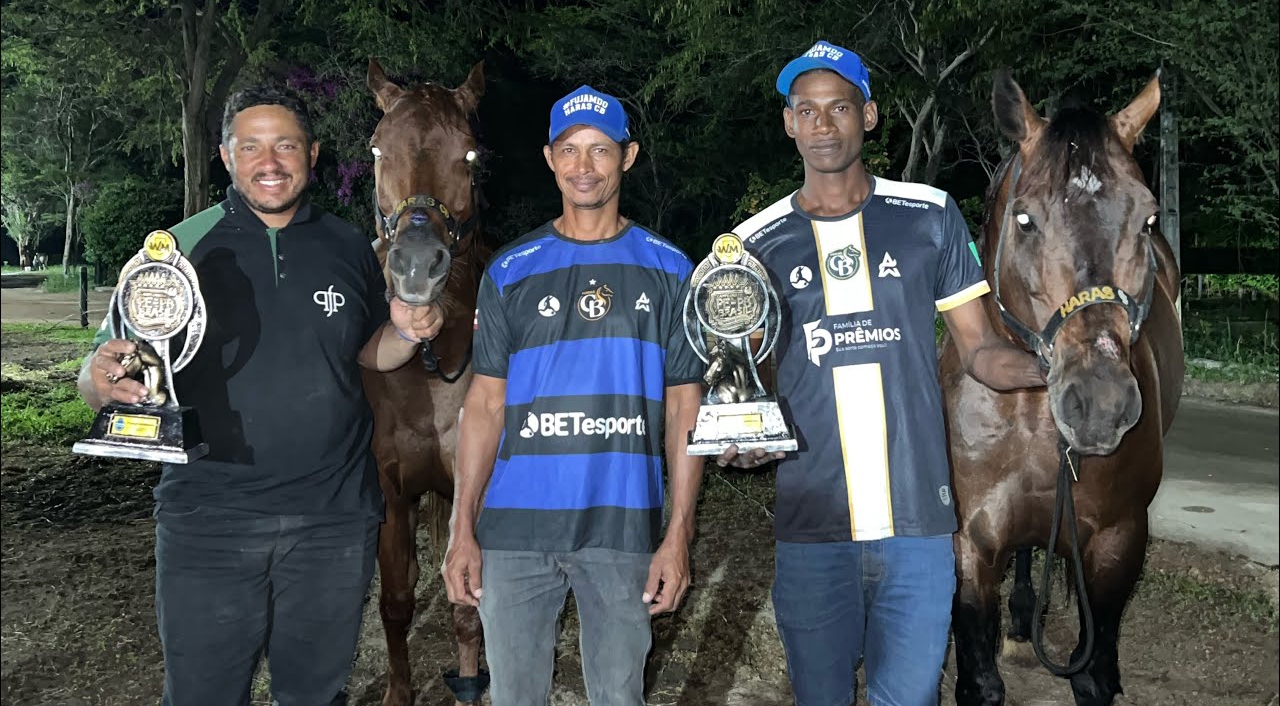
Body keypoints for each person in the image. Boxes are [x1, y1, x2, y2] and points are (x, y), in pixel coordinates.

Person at [76, 84, 443, 706]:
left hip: (332, 521)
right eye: (251, 147)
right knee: (202, 695)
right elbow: (118, 360)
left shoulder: (349, 246)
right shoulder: (178, 246)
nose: (269, 162)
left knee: (315, 695)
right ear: (225, 155)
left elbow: (362, 350)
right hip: (208, 521)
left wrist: (405, 333)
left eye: (286, 145)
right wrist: (97, 380)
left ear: (313, 153)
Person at [718, 41, 1046, 705]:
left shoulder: (928, 216)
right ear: (789, 124)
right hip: (814, 528)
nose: (821, 123)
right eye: (805, 111)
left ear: (867, 115)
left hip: (918, 530)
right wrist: (735, 428)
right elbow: (741, 379)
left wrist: (1053, 369)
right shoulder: (751, 244)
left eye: (837, 107)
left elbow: (980, 349)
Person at [442, 85, 705, 706]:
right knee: (513, 696)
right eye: (569, 150)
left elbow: (684, 408)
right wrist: (463, 528)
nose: (583, 166)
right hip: (512, 532)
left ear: (628, 156)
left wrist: (679, 534)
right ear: (549, 158)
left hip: (620, 528)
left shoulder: (672, 270)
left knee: (619, 695)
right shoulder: (510, 270)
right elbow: (483, 406)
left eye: (600, 150)